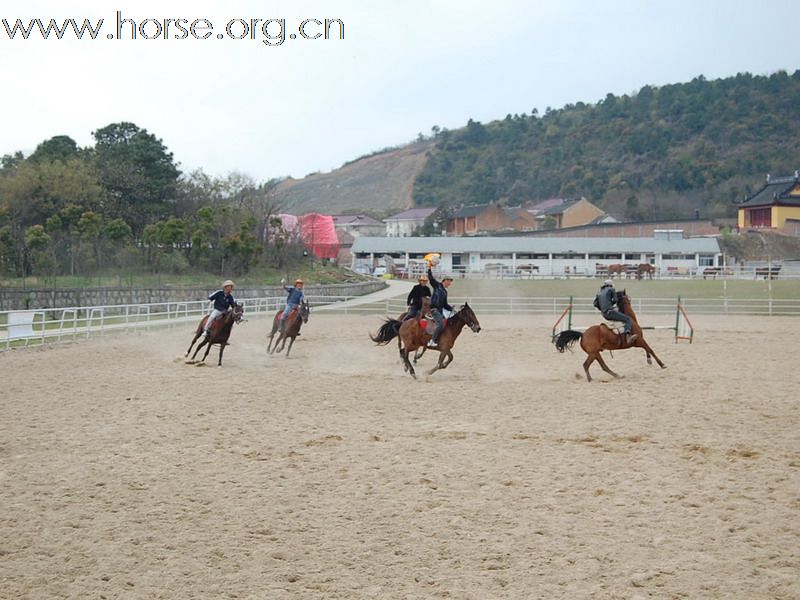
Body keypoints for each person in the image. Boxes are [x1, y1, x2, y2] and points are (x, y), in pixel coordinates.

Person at [593, 279, 637, 344]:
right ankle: (628, 336)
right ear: (610, 285)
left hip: (604, 314)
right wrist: (611, 305)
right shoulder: (611, 289)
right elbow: (616, 300)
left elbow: (595, 304)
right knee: (628, 319)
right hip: (610, 312)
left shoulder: (599, 293)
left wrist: (602, 308)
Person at [427, 266, 454, 347]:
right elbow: (431, 278)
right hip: (434, 310)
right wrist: (429, 269)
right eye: (449, 281)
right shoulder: (437, 285)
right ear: (445, 281)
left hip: (440, 311)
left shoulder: (445, 292)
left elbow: (445, 304)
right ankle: (432, 340)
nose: (450, 283)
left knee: (447, 324)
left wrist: (452, 309)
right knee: (441, 324)